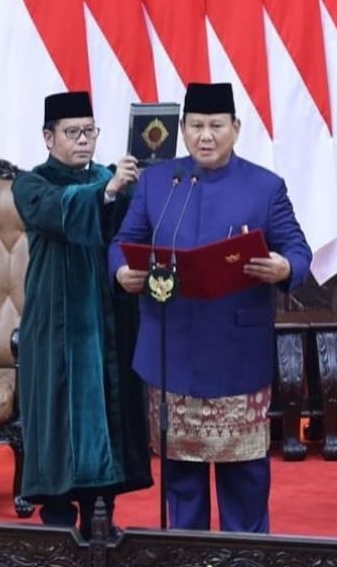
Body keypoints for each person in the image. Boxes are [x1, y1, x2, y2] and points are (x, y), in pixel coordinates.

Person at [109, 82, 312, 533]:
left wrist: (284, 267)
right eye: (196, 126)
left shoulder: (265, 186)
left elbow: (297, 249)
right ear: (181, 130)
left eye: (216, 126)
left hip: (237, 353)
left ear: (236, 129)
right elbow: (123, 243)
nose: (206, 136)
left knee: (244, 479)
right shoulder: (159, 181)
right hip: (172, 349)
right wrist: (121, 272)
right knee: (182, 481)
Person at [12, 90, 152, 539]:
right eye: (72, 133)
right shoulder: (31, 184)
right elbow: (59, 210)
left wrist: (125, 187)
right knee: (55, 419)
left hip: (109, 318)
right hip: (54, 324)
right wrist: (106, 189)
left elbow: (133, 231)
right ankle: (56, 530)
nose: (83, 141)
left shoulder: (112, 180)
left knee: (111, 413)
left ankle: (103, 520)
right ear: (48, 137)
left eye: (90, 132)